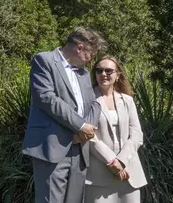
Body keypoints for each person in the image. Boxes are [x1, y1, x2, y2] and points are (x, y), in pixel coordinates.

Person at [22, 28, 107, 203]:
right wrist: (80, 126)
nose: (93, 60)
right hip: (52, 148)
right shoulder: (44, 60)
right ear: (80, 48)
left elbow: (93, 104)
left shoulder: (83, 74)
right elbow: (46, 98)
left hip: (79, 151)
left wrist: (86, 133)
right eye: (92, 54)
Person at [85, 56, 147, 203]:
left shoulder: (128, 100)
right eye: (99, 70)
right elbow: (88, 135)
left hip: (129, 174)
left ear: (118, 75)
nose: (103, 74)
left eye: (108, 70)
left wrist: (121, 161)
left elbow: (136, 135)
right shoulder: (86, 100)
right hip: (99, 175)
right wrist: (112, 162)